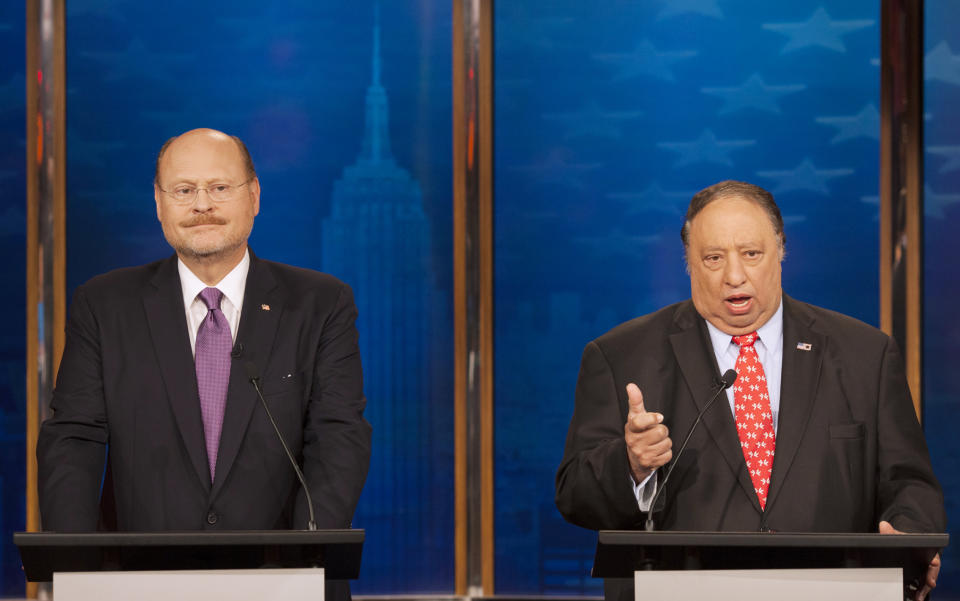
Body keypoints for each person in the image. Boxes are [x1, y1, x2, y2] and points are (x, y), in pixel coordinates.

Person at [555, 180, 945, 601]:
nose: (734, 275)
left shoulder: (864, 354)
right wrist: (630, 465)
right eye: (713, 258)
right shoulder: (621, 356)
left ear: (781, 252)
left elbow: (910, 483)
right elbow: (574, 494)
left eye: (751, 253)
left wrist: (908, 537)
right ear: (689, 263)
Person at [37, 128, 371, 597]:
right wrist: (70, 573)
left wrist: (306, 561)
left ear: (253, 196)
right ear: (159, 203)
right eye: (184, 190)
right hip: (138, 583)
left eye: (219, 188)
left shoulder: (320, 304)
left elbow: (338, 435)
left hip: (283, 579)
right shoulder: (104, 305)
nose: (202, 205)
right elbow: (74, 438)